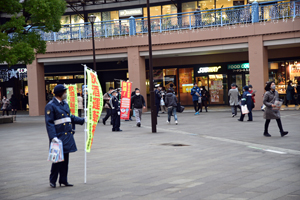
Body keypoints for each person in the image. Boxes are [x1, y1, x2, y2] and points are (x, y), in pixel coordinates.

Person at [45, 84, 85, 188]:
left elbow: (70, 117)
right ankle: (52, 180)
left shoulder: (64, 104)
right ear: (59, 93)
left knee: (65, 160)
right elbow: (49, 123)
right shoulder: (51, 105)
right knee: (57, 160)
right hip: (58, 136)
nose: (65, 94)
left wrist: (82, 120)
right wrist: (53, 137)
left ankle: (63, 180)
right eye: (64, 92)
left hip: (66, 135)